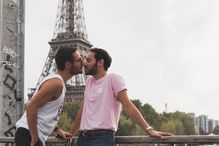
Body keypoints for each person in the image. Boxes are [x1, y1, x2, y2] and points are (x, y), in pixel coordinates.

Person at [70, 48, 174, 146]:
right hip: (82, 138)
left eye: (88, 60)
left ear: (100, 62)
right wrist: (71, 134)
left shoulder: (113, 79)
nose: (84, 63)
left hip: (101, 139)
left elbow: (128, 106)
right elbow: (83, 110)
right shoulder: (89, 82)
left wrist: (148, 129)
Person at [15, 46, 83, 146]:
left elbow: (45, 112)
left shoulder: (57, 82)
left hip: (28, 134)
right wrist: (34, 136)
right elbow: (30, 107)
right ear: (68, 64)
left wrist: (57, 129)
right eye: (79, 60)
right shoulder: (56, 83)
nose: (82, 62)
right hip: (28, 135)